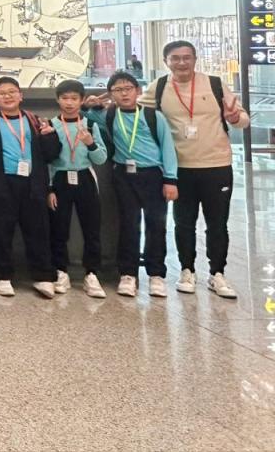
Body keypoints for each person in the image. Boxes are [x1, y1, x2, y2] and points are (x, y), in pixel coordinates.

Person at [150, 40, 246, 298]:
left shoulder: (215, 84)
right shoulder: (158, 87)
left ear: (195, 59)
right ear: (166, 61)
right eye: (175, 58)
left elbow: (243, 119)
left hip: (217, 165)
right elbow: (134, 110)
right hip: (180, 168)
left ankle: (217, 273)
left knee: (218, 223)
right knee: (183, 223)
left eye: (187, 57)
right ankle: (187, 270)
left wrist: (235, 118)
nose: (181, 62)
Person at [0, 76, 61, 298]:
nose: (7, 96)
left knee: (38, 231)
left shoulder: (35, 121)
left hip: (32, 184)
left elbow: (51, 155)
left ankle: (43, 276)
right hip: (1, 185)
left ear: (21, 95)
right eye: (2, 93)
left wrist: (49, 136)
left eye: (12, 92)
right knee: (1, 232)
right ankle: (2, 276)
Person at [96, 71, 177, 298]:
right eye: (117, 90)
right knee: (128, 224)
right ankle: (128, 273)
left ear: (138, 91)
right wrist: (91, 103)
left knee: (156, 225)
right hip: (123, 175)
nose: (124, 94)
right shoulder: (109, 115)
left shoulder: (153, 116)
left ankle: (156, 274)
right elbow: (83, 114)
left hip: (153, 175)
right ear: (111, 94)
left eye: (128, 89)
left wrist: (170, 179)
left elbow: (168, 147)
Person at [47, 80, 107, 299]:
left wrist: (90, 143)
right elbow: (47, 161)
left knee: (91, 229)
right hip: (59, 179)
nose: (69, 103)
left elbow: (101, 159)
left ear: (82, 101)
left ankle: (91, 273)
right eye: (64, 98)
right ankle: (60, 271)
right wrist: (49, 189)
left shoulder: (90, 125)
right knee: (58, 229)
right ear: (58, 100)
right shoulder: (50, 125)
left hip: (85, 178)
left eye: (74, 98)